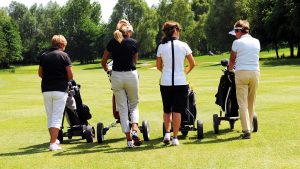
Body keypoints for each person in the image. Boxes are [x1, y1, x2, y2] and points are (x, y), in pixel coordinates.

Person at [101, 21, 141, 148]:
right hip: (130, 75)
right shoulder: (133, 42)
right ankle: (134, 129)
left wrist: (107, 69)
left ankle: (129, 141)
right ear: (128, 32)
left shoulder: (112, 42)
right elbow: (135, 61)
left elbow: (104, 61)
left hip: (116, 76)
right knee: (133, 105)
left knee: (122, 109)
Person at [156, 21, 196, 146]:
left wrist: (166, 72)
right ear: (176, 31)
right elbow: (192, 64)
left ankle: (167, 133)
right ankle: (175, 138)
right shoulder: (184, 45)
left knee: (167, 110)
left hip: (165, 82)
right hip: (180, 82)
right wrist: (185, 73)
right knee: (178, 111)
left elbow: (158, 66)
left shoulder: (161, 46)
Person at [38, 35, 73, 151]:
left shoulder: (44, 56)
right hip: (60, 89)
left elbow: (40, 74)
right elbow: (70, 75)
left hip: (46, 89)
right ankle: (53, 143)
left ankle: (54, 139)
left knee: (50, 116)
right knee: (57, 117)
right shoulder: (64, 55)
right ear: (62, 45)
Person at [228, 20, 260, 139]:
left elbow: (232, 60)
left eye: (235, 32)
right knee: (251, 101)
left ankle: (246, 130)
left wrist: (230, 70)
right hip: (255, 73)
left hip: (241, 73)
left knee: (242, 103)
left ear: (239, 31)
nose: (235, 34)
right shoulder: (257, 41)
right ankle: (249, 126)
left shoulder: (237, 42)